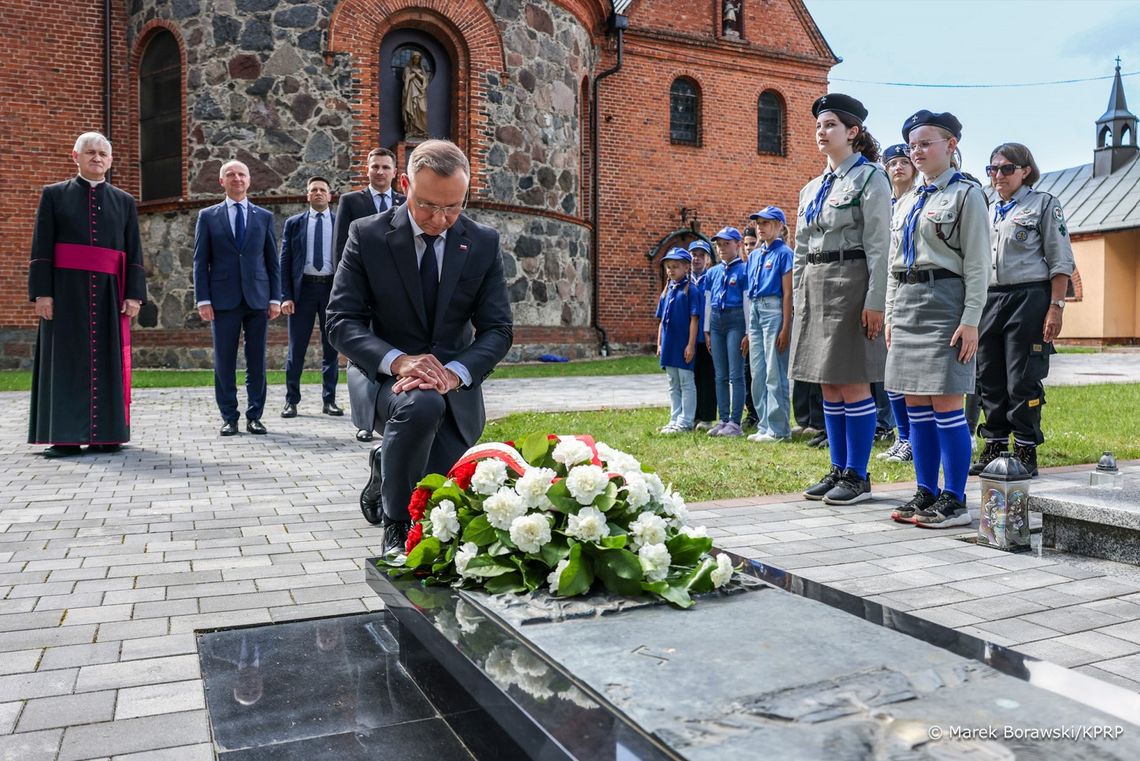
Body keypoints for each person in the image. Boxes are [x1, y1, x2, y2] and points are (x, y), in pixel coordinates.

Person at [327, 139, 513, 556]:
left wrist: (455, 373)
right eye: (428, 205)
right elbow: (340, 321)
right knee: (420, 410)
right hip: (383, 378)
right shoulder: (368, 235)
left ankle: (387, 462)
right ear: (406, 183)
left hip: (453, 388)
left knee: (442, 497)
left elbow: (498, 330)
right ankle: (394, 526)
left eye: (453, 207)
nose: (441, 219)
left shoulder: (481, 242)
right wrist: (399, 362)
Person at [885, 111, 990, 528]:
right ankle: (926, 491)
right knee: (915, 407)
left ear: (951, 146)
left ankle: (954, 499)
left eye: (926, 143)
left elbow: (979, 263)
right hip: (908, 302)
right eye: (913, 144)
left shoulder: (967, 195)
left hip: (946, 301)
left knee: (947, 404)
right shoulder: (908, 198)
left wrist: (971, 319)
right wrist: (891, 312)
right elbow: (895, 263)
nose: (917, 151)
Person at [792, 94, 890, 505]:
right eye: (818, 124)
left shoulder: (870, 178)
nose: (821, 130)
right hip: (817, 283)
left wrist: (876, 301)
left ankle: (858, 474)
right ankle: (837, 467)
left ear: (852, 132)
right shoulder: (812, 188)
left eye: (830, 124)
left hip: (852, 281)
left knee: (852, 382)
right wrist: (799, 295)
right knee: (828, 384)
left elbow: (880, 245)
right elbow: (800, 247)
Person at [28, 132, 146, 457]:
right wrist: (42, 294)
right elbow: (41, 247)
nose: (97, 158)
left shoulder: (124, 200)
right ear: (75, 156)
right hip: (64, 292)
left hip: (109, 293)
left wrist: (134, 294)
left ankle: (106, 435)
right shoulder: (53, 195)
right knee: (64, 361)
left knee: (107, 359)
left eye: (102, 154)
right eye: (90, 153)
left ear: (110, 160)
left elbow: (134, 251)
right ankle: (64, 438)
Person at [971, 143, 1074, 477]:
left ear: (1025, 170)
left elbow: (1060, 261)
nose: (998, 176)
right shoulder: (984, 209)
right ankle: (996, 444)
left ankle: (1026, 449)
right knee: (989, 376)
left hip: (1029, 297)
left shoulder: (1043, 204)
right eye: (992, 169)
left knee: (1022, 378)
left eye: (1006, 169)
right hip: (990, 297)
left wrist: (1055, 307)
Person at [193, 160, 282, 437]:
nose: (237, 178)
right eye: (230, 174)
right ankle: (229, 417)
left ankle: (255, 415)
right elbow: (200, 261)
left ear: (249, 179)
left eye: (241, 174)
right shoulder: (208, 216)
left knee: (256, 360)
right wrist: (203, 299)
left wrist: (275, 298)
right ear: (221, 181)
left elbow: (272, 261)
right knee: (224, 361)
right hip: (222, 301)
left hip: (258, 298)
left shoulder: (263, 216)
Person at [333, 148, 407, 442]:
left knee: (396, 357)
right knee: (363, 360)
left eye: (385, 167)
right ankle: (365, 421)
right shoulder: (351, 202)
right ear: (367, 170)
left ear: (394, 171)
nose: (379, 171)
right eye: (374, 166)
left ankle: (395, 413)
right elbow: (341, 250)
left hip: (398, 295)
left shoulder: (405, 202)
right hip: (363, 293)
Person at [279, 177, 342, 419]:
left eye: (322, 190)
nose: (317, 193)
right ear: (307, 196)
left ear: (329, 196)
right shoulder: (294, 224)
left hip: (331, 291)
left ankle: (330, 400)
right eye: (313, 190)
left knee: (331, 348)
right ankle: (291, 401)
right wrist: (286, 296)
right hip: (302, 291)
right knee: (297, 349)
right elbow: (284, 262)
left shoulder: (340, 223)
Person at [876, 143, 918, 464]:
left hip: (913, 292)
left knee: (909, 375)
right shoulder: (883, 204)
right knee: (889, 372)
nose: (899, 168)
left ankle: (911, 438)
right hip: (886, 291)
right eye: (893, 163)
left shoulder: (918, 200)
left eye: (905, 162)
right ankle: (902, 435)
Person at [743, 206, 793, 442]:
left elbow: (787, 293)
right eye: (758, 223)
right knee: (758, 371)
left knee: (775, 371)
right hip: (755, 310)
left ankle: (779, 428)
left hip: (774, 309)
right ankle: (764, 424)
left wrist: (785, 326)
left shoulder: (784, 253)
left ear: (779, 226)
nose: (760, 227)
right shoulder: (753, 255)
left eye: (766, 223)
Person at [703, 227, 748, 437]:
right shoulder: (712, 272)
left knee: (735, 374)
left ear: (738, 245)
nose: (721, 248)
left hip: (736, 319)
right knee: (719, 374)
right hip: (716, 322)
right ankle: (722, 419)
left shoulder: (744, 270)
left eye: (726, 244)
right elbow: (707, 303)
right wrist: (707, 330)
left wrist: (747, 331)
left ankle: (735, 422)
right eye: (718, 244)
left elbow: (747, 302)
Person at [656, 248, 701, 434]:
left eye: (675, 267)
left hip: (683, 344)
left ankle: (686, 420)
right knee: (672, 382)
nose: (671, 270)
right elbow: (660, 321)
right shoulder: (667, 291)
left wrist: (690, 344)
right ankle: (675, 418)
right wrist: (659, 343)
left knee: (686, 382)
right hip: (669, 343)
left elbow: (694, 319)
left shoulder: (691, 291)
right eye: (668, 267)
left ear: (686, 267)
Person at [688, 239, 718, 430]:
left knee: (707, 377)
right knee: (690, 378)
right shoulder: (684, 280)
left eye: (701, 255)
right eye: (694, 254)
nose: (697, 259)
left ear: (707, 259)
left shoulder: (711, 278)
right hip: (689, 338)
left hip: (706, 337)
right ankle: (692, 415)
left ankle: (706, 416)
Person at [402, 52, 430, 139]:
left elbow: (424, 79)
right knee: (412, 110)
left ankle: (421, 131)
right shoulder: (408, 68)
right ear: (412, 59)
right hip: (411, 91)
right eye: (415, 58)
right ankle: (412, 130)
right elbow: (407, 79)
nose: (416, 60)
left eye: (418, 58)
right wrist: (414, 73)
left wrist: (417, 73)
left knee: (423, 110)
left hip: (420, 92)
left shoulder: (421, 69)